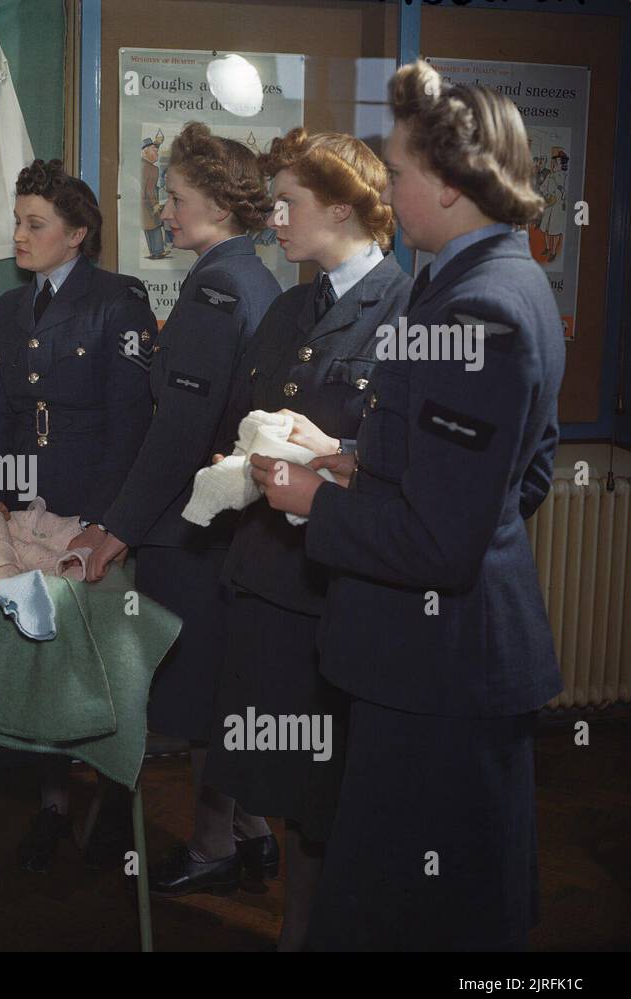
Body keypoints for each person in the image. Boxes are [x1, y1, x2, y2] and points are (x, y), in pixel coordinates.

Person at [254, 60, 563, 951]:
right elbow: (517, 476)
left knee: (422, 914)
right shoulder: (480, 281)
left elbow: (442, 540)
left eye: (397, 171)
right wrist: (351, 462)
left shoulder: (483, 308)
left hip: (440, 674)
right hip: (431, 660)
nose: (386, 186)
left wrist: (314, 499)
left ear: (454, 183)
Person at [200, 129, 410, 949]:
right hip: (268, 579)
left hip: (339, 587)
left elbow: (398, 467)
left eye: (289, 201)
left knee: (338, 791)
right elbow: (244, 418)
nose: (274, 216)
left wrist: (325, 463)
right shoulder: (293, 305)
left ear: (344, 207)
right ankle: (299, 931)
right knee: (289, 782)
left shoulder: (406, 312)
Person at [84, 122, 282, 895]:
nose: (164, 211)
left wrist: (116, 529)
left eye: (177, 197)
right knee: (224, 686)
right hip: (233, 526)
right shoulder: (257, 278)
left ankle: (211, 849)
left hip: (193, 532)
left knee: (199, 695)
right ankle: (251, 833)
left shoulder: (214, 286)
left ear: (223, 206)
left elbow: (177, 435)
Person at [0, 157, 155, 870]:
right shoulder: (11, 309)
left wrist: (104, 522)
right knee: (39, 652)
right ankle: (51, 803)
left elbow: (131, 425)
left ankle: (113, 800)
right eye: (17, 221)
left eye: (34, 224)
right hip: (24, 504)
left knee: (101, 661)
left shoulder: (119, 301)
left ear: (76, 234)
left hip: (93, 508)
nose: (18, 235)